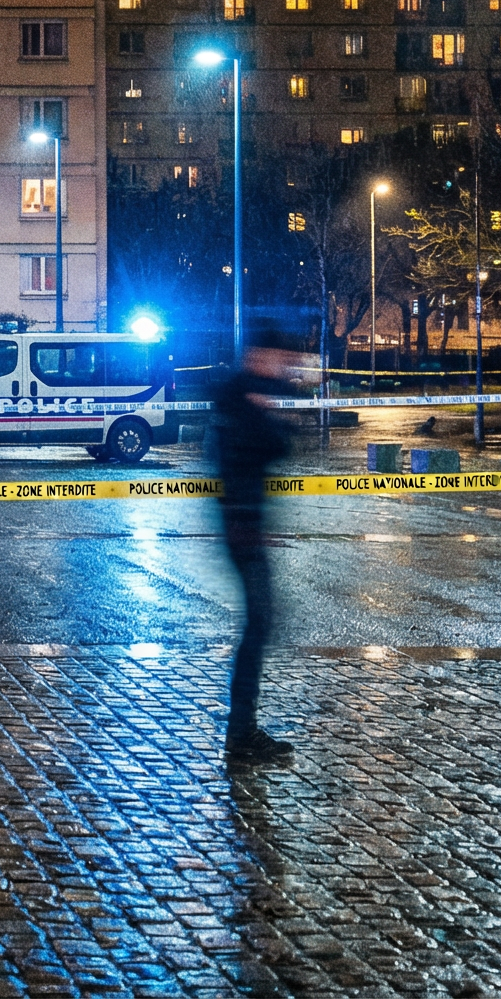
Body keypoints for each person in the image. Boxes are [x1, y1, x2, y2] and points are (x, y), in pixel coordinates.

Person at [212, 329, 297, 768]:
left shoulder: (239, 395)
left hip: (246, 521)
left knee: (259, 625)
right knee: (258, 625)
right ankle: (240, 732)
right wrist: (267, 415)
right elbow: (273, 446)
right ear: (257, 354)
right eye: (276, 357)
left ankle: (242, 729)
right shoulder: (239, 399)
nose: (281, 366)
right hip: (242, 523)